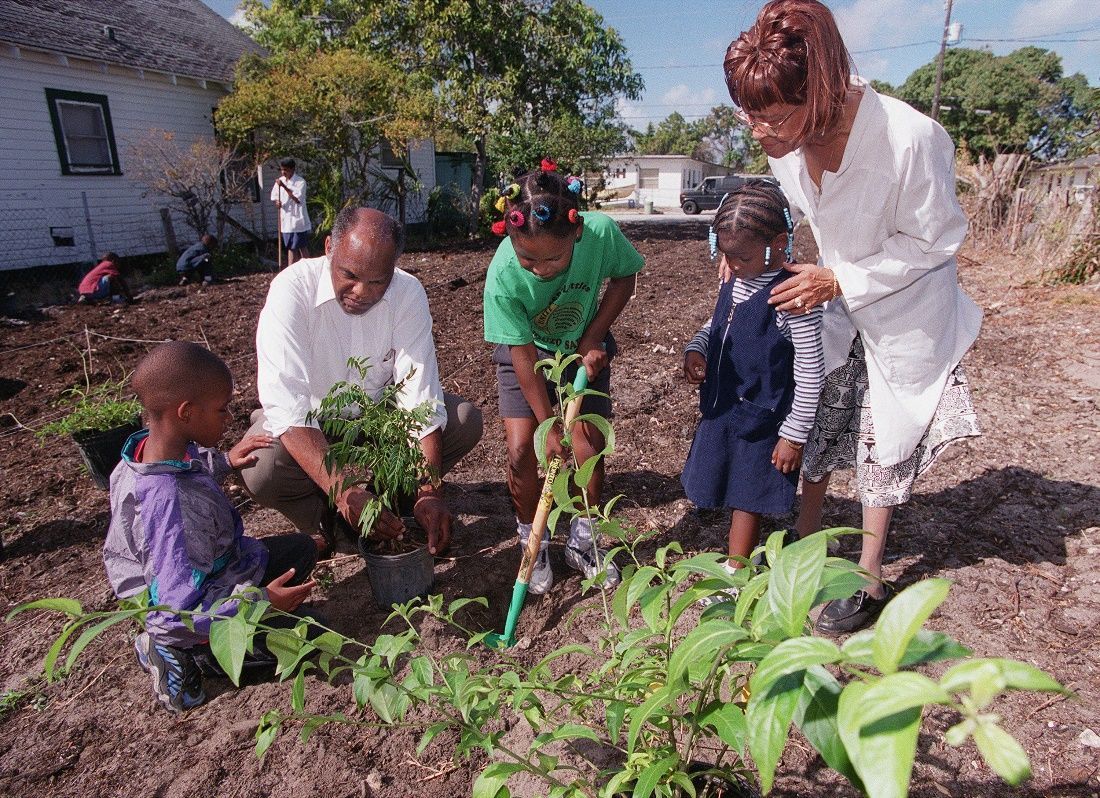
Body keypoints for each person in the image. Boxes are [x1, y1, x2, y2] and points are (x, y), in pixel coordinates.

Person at [723, 0, 982, 633]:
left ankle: (869, 580)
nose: (759, 132)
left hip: (905, 302)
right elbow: (793, 213)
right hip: (833, 303)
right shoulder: (786, 143)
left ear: (823, 89)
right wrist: (744, 247)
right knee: (818, 419)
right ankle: (806, 554)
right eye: (747, 114)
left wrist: (842, 278)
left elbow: (937, 240)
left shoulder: (910, 138)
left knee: (879, 442)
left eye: (772, 116)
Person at [241, 207, 483, 557]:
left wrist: (428, 491)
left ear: (394, 269)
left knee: (463, 421)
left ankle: (391, 506)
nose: (362, 292)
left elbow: (420, 400)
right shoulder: (292, 291)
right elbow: (288, 408)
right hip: (314, 420)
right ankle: (327, 522)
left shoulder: (407, 293)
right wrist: (343, 492)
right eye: (349, 275)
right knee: (262, 468)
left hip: (377, 416)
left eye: (377, 281)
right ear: (328, 248)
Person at [102, 341, 319, 713]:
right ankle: (183, 655)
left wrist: (222, 461)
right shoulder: (170, 511)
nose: (229, 417)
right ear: (186, 412)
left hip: (216, 568)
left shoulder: (152, 452)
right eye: (221, 409)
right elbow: (176, 611)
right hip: (186, 613)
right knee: (310, 637)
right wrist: (262, 602)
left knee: (301, 549)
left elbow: (189, 463)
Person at [482, 159, 644, 594]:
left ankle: (583, 539)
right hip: (528, 353)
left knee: (588, 445)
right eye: (527, 258)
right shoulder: (501, 277)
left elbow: (625, 278)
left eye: (554, 258)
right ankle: (531, 541)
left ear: (577, 232)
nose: (541, 268)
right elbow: (520, 355)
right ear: (510, 238)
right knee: (522, 451)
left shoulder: (601, 232)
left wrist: (594, 336)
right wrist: (548, 425)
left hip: (581, 347)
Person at [681, 181, 823, 599]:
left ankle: (734, 574)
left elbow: (811, 372)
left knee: (747, 495)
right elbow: (716, 325)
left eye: (741, 256)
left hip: (763, 417)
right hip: (726, 408)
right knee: (727, 481)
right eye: (724, 254)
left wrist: (794, 435)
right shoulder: (735, 279)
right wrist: (697, 348)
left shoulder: (792, 298)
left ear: (779, 244)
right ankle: (736, 559)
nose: (731, 264)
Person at [270, 157, 312, 266]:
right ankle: (291, 270)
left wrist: (284, 186)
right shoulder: (280, 181)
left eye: (286, 170)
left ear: (292, 169)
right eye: (282, 169)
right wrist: (277, 202)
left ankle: (308, 268)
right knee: (290, 247)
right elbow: (275, 196)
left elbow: (297, 199)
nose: (283, 172)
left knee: (301, 247)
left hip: (297, 220)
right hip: (286, 220)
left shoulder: (300, 182)